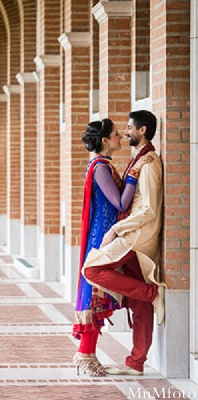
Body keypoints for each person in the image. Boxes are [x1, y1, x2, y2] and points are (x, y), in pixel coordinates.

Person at [82, 110, 165, 376]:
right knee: (138, 302)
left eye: (128, 128)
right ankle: (136, 363)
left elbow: (149, 210)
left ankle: (154, 293)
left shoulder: (149, 163)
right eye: (121, 130)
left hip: (136, 238)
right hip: (128, 234)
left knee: (92, 270)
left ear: (142, 130)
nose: (125, 132)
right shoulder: (137, 160)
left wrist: (116, 230)